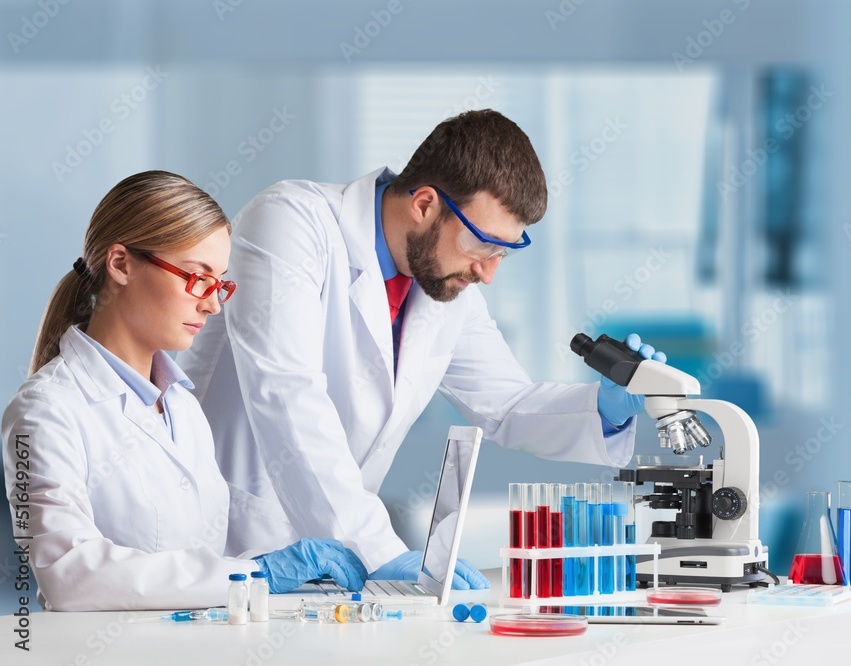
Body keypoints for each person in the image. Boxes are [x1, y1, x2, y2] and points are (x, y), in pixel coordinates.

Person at [178, 110, 663, 589]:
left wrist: (602, 409)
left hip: (334, 569)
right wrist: (379, 551)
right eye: (483, 245)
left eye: (503, 253)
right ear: (425, 204)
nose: (487, 273)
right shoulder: (290, 223)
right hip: (230, 550)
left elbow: (507, 404)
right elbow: (286, 395)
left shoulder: (444, 287)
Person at [2, 171, 366, 611]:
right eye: (197, 277)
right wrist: (256, 575)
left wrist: (269, 567)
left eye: (220, 284)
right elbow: (69, 574)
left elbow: (192, 564)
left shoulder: (182, 406)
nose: (213, 303)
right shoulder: (44, 410)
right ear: (120, 264)